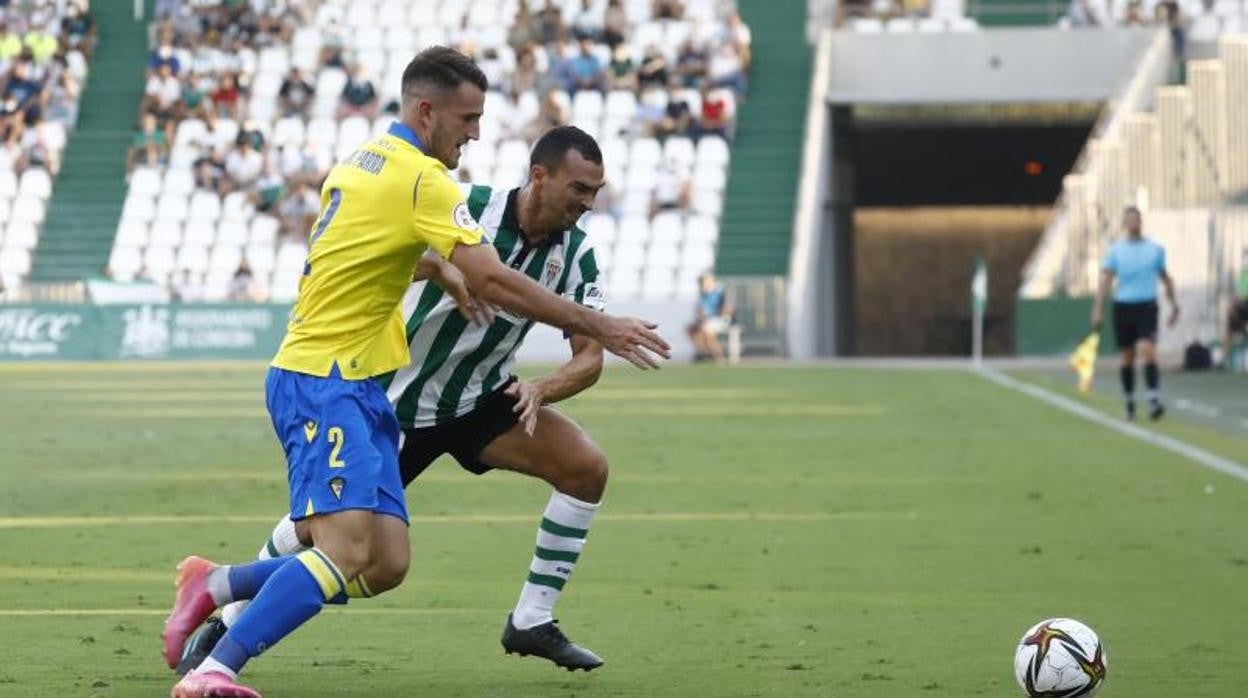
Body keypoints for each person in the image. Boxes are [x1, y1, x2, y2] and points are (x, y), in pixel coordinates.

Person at [165, 46, 668, 698]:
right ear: (427, 111)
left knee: (387, 565)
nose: (477, 132)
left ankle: (222, 584)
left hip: (439, 394)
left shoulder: (364, 162)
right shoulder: (444, 191)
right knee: (330, 543)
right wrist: (597, 322)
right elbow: (485, 272)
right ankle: (218, 659)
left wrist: (445, 278)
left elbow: (378, 250)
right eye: (468, 118)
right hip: (356, 384)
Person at [1091, 206, 1180, 421]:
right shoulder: (1116, 251)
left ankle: (1153, 399)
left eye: (1136, 219)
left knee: (1147, 348)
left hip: (1146, 305)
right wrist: (1097, 310)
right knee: (1127, 356)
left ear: (1141, 222)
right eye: (1129, 219)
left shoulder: (1154, 250)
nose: (1133, 223)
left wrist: (1174, 305)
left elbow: (1165, 278)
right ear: (1124, 224)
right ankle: (1130, 402)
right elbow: (1106, 281)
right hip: (1123, 306)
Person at [687, 273, 733, 362]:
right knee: (691, 329)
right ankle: (701, 353)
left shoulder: (720, 292)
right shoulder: (702, 294)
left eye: (705, 282)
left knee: (706, 332)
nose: (703, 284)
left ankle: (719, 358)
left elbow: (727, 309)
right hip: (707, 320)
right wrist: (702, 317)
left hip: (721, 319)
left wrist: (716, 315)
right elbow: (699, 310)